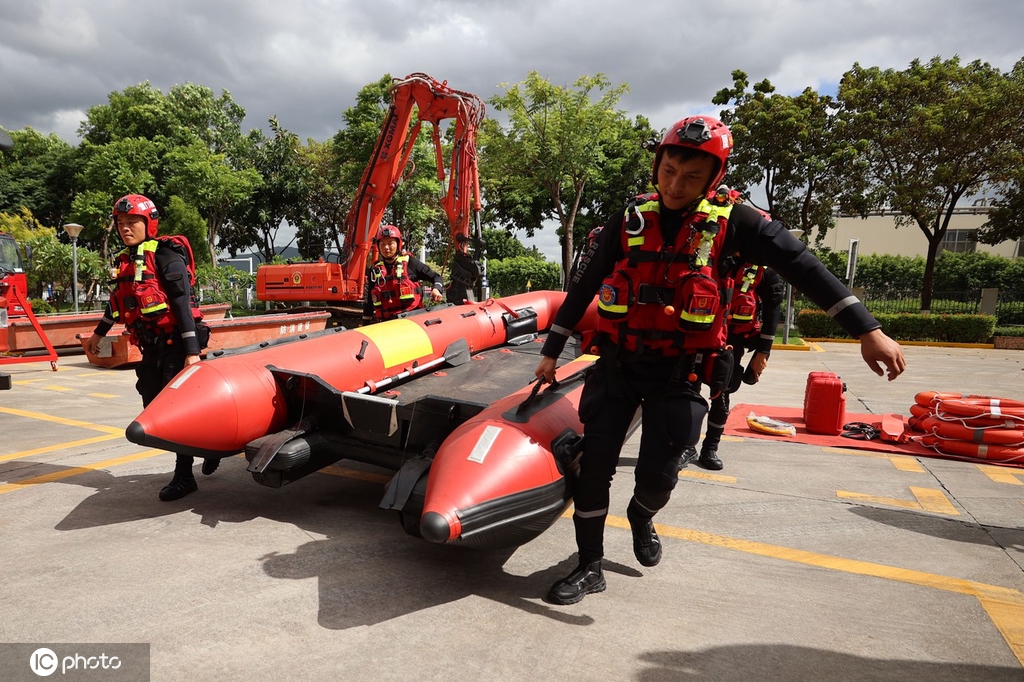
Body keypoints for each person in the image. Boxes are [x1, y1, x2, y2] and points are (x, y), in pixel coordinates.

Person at [534, 115, 905, 605]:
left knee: (658, 478)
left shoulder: (738, 224)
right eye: (668, 171)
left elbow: (803, 266)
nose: (674, 185)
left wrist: (867, 329)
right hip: (619, 366)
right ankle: (589, 566)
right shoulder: (630, 221)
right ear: (657, 165)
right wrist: (550, 351)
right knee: (594, 467)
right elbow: (584, 286)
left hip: (680, 372)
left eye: (690, 177)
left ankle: (643, 515)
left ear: (714, 178)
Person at [84, 194, 212, 501]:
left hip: (178, 344)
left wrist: (192, 353)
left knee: (176, 411)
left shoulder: (167, 255)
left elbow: (182, 306)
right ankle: (209, 446)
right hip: (151, 347)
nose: (125, 228)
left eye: (132, 223)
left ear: (148, 223)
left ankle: (185, 476)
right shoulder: (125, 262)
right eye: (121, 223)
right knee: (152, 407)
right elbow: (117, 307)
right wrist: (97, 335)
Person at [692, 262, 786, 470]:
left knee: (722, 393)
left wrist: (763, 352)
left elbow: (773, 307)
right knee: (689, 391)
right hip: (698, 334)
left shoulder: (761, 269)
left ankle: (710, 448)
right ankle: (686, 446)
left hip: (733, 342)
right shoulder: (710, 253)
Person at [361, 225, 444, 324]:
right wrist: (365, 323)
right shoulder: (374, 270)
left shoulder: (411, 263)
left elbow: (436, 277)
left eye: (390, 243)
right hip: (386, 323)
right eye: (382, 244)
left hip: (412, 320)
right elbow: (368, 302)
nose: (386, 247)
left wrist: (436, 289)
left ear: (398, 244)